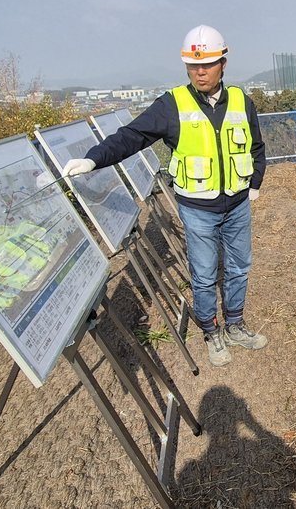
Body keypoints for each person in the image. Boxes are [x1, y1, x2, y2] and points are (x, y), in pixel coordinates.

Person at [62, 24, 267, 368]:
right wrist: (93, 159)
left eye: (208, 64)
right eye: (193, 65)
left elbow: (256, 146)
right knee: (204, 274)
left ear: (223, 63)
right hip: (198, 209)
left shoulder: (241, 101)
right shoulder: (172, 105)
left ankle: (235, 325)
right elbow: (132, 136)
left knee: (239, 267)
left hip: (237, 204)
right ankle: (211, 332)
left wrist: (255, 182)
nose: (200, 72)